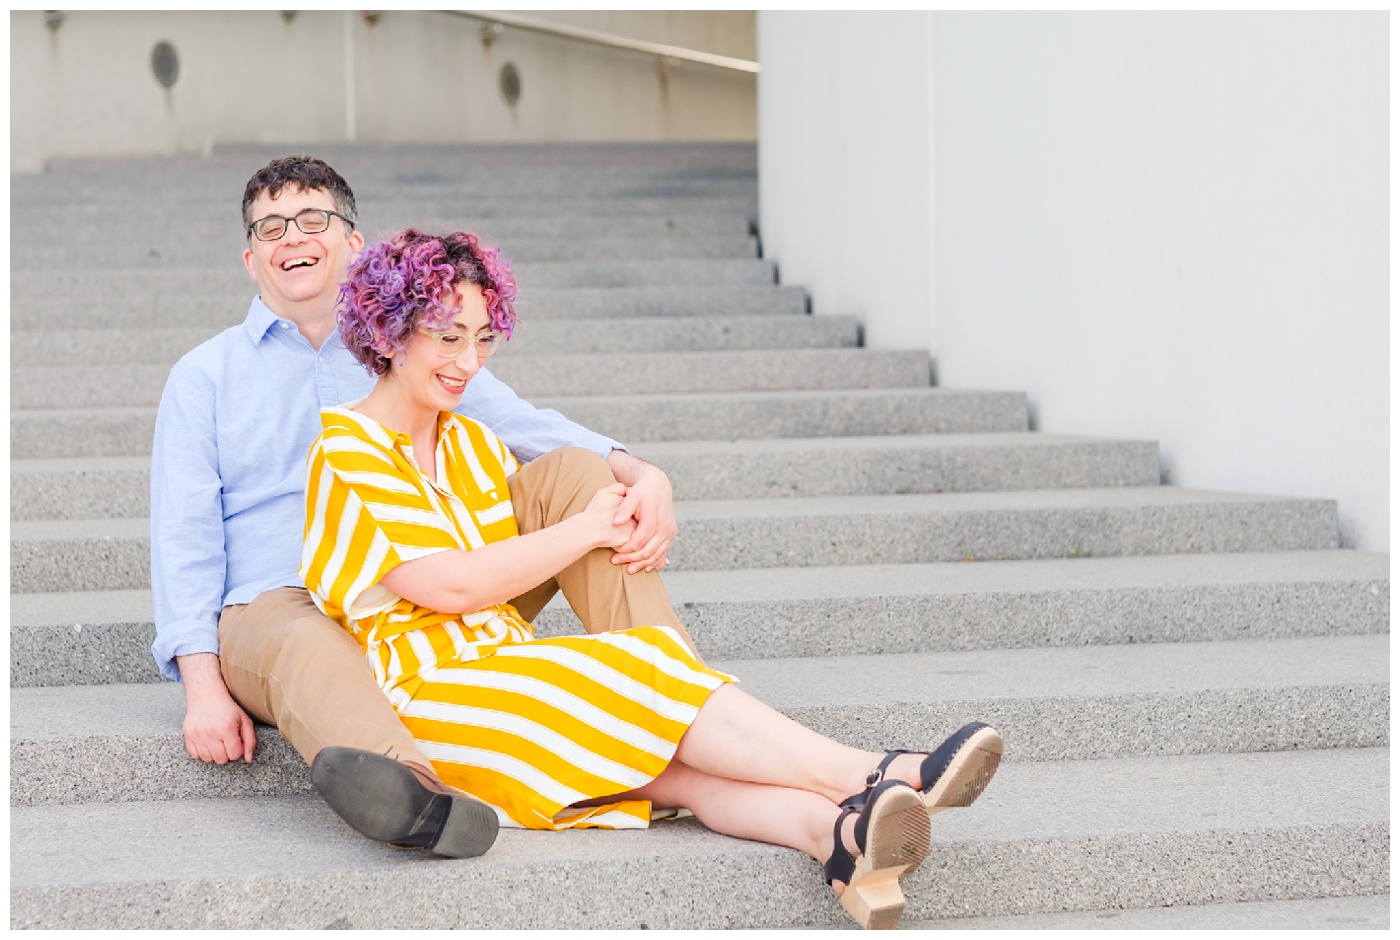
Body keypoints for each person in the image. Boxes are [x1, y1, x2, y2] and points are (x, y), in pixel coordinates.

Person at [300, 227, 1004, 929]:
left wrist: (630, 485)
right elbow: (450, 586)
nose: (469, 361)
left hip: (499, 667)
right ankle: (873, 772)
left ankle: (840, 841)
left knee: (687, 777)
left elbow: (492, 580)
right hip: (431, 695)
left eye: (483, 338)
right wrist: (589, 528)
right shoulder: (346, 447)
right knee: (641, 665)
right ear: (388, 332)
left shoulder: (472, 445)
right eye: (447, 337)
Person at [150, 155, 697, 861]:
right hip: (282, 601)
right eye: (271, 227)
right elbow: (184, 536)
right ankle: (417, 795)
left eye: (313, 219)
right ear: (252, 259)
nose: (292, 237)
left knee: (576, 475)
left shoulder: (408, 342)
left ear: (353, 244)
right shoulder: (204, 376)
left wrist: (640, 471)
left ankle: (680, 700)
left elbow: (525, 422)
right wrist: (203, 689)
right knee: (311, 644)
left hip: (420, 581)